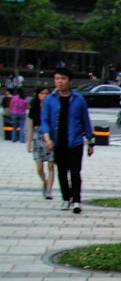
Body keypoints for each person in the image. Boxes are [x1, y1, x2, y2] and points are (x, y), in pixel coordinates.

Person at [40, 67, 95, 213]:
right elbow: (44, 121)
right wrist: (47, 139)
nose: (60, 82)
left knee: (75, 172)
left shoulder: (79, 99)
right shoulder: (49, 100)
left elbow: (85, 121)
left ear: (70, 81)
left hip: (75, 141)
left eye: (63, 79)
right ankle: (66, 198)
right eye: (57, 79)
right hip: (58, 142)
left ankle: (76, 200)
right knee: (62, 172)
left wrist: (90, 141)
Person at [27, 87, 54, 199]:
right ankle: (45, 182)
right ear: (37, 94)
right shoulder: (34, 107)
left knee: (51, 166)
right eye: (42, 93)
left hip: (51, 137)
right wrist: (28, 142)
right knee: (39, 168)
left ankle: (49, 190)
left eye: (46, 93)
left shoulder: (52, 107)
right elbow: (30, 127)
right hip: (37, 137)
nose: (44, 96)